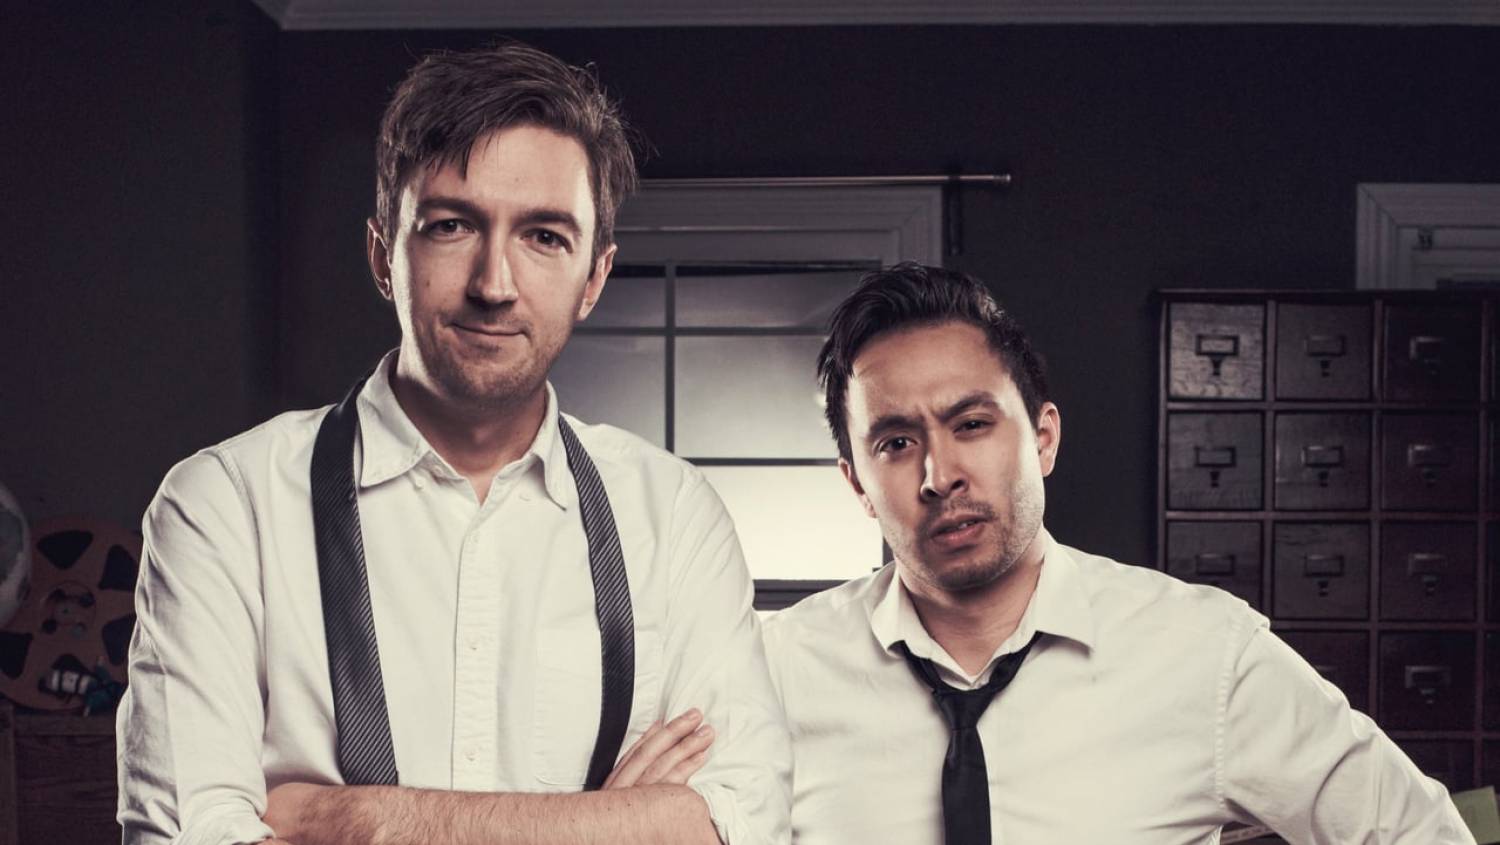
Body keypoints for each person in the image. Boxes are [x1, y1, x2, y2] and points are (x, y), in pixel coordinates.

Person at [117, 41, 790, 845]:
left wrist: (358, 819)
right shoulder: (225, 505)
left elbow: (741, 824)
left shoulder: (673, 514)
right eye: (450, 226)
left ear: (594, 278)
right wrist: (608, 824)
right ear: (382, 256)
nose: (494, 284)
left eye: (544, 236)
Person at [761, 262, 1470, 844]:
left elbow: (1418, 831)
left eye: (971, 424)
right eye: (895, 443)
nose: (939, 474)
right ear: (857, 483)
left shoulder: (1205, 653)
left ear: (1043, 439)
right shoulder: (776, 671)